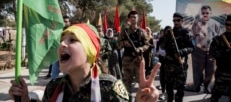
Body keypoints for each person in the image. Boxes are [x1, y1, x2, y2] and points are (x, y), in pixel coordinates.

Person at [9, 23, 161, 102]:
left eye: (73, 40)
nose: (62, 44)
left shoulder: (108, 86)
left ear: (90, 51)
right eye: (62, 40)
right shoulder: (54, 87)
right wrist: (25, 99)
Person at [118, 9, 150, 101]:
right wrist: (125, 43)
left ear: (137, 19)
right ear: (129, 19)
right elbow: (118, 44)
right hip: (127, 62)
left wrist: (140, 49)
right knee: (127, 85)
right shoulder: (124, 32)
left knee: (141, 85)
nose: (133, 19)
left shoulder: (142, 31)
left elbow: (147, 44)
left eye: (135, 17)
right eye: (131, 17)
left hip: (138, 61)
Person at [163, 12, 194, 102]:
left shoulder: (186, 33)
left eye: (178, 20)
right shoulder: (169, 33)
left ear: (182, 21)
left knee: (180, 89)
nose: (176, 22)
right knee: (169, 87)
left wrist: (181, 52)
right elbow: (162, 46)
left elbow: (192, 47)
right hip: (170, 64)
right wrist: (165, 36)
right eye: (174, 20)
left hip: (181, 64)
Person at [191, 5, 221, 93]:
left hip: (211, 51)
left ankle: (207, 87)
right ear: (201, 13)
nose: (205, 14)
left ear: (210, 13)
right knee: (197, 71)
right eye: (203, 13)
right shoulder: (196, 23)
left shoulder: (216, 24)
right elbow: (192, 35)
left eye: (207, 13)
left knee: (210, 70)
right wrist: (195, 45)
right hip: (198, 51)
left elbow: (218, 37)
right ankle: (197, 87)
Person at [156, 27, 169, 101]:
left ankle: (168, 93)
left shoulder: (169, 41)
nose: (162, 35)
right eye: (160, 33)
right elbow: (157, 51)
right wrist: (158, 53)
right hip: (161, 63)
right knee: (162, 78)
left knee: (168, 79)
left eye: (163, 33)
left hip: (169, 63)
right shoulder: (159, 42)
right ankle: (163, 93)